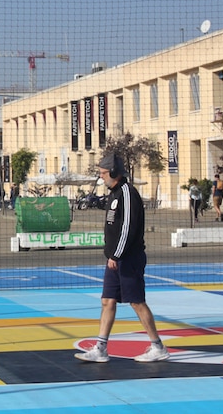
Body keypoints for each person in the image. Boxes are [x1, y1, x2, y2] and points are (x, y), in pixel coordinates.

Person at [75, 153, 169, 363]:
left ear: (115, 173)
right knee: (107, 301)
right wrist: (111, 255)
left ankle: (158, 346)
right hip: (114, 259)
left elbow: (128, 227)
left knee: (136, 302)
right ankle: (101, 348)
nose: (101, 178)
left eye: (103, 173)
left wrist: (116, 255)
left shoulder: (127, 193)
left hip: (128, 258)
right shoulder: (114, 194)